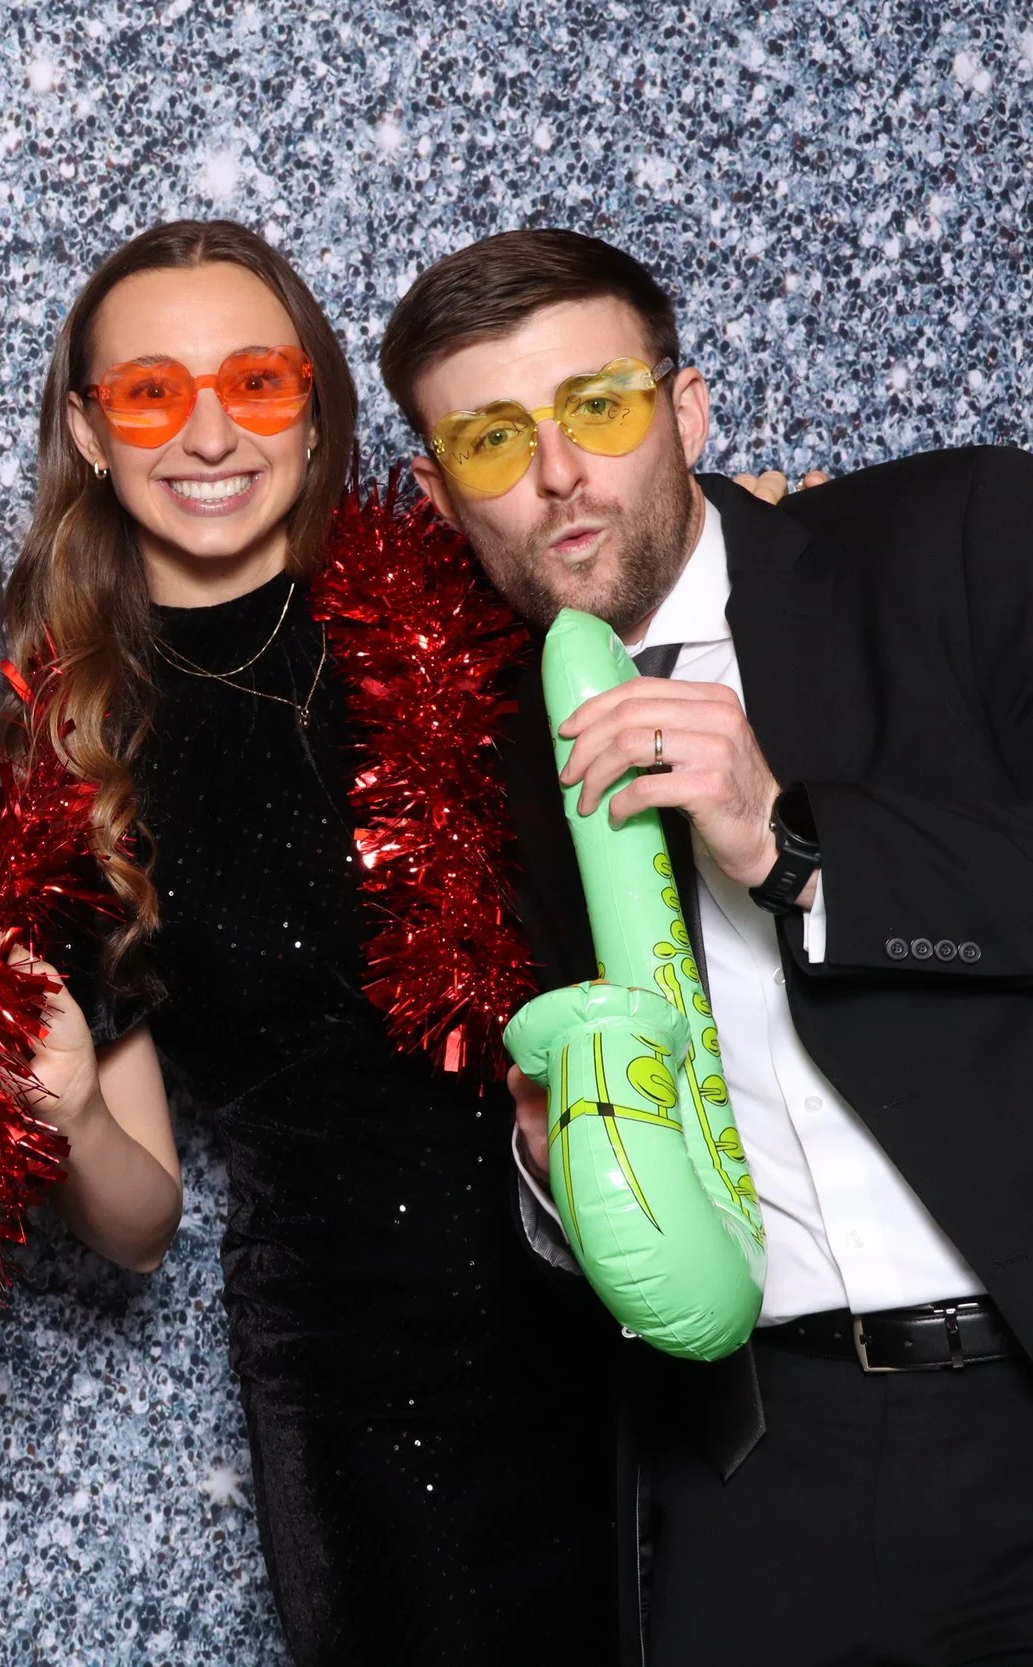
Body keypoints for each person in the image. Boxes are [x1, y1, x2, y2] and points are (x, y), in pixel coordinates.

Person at [379, 227, 1033, 1667]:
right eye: (493, 441)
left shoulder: (955, 540)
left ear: (686, 410)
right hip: (759, 1462)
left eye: (599, 409)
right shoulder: (477, 756)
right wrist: (560, 1168)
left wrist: (795, 844)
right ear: (438, 494)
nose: (559, 475)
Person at [3, 220, 624, 1665]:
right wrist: (72, 1113)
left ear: (315, 402)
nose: (210, 433)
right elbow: (140, 1219)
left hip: (641, 1275)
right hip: (369, 1380)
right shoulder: (80, 744)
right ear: (89, 432)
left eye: (255, 382)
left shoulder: (473, 598)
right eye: (150, 394)